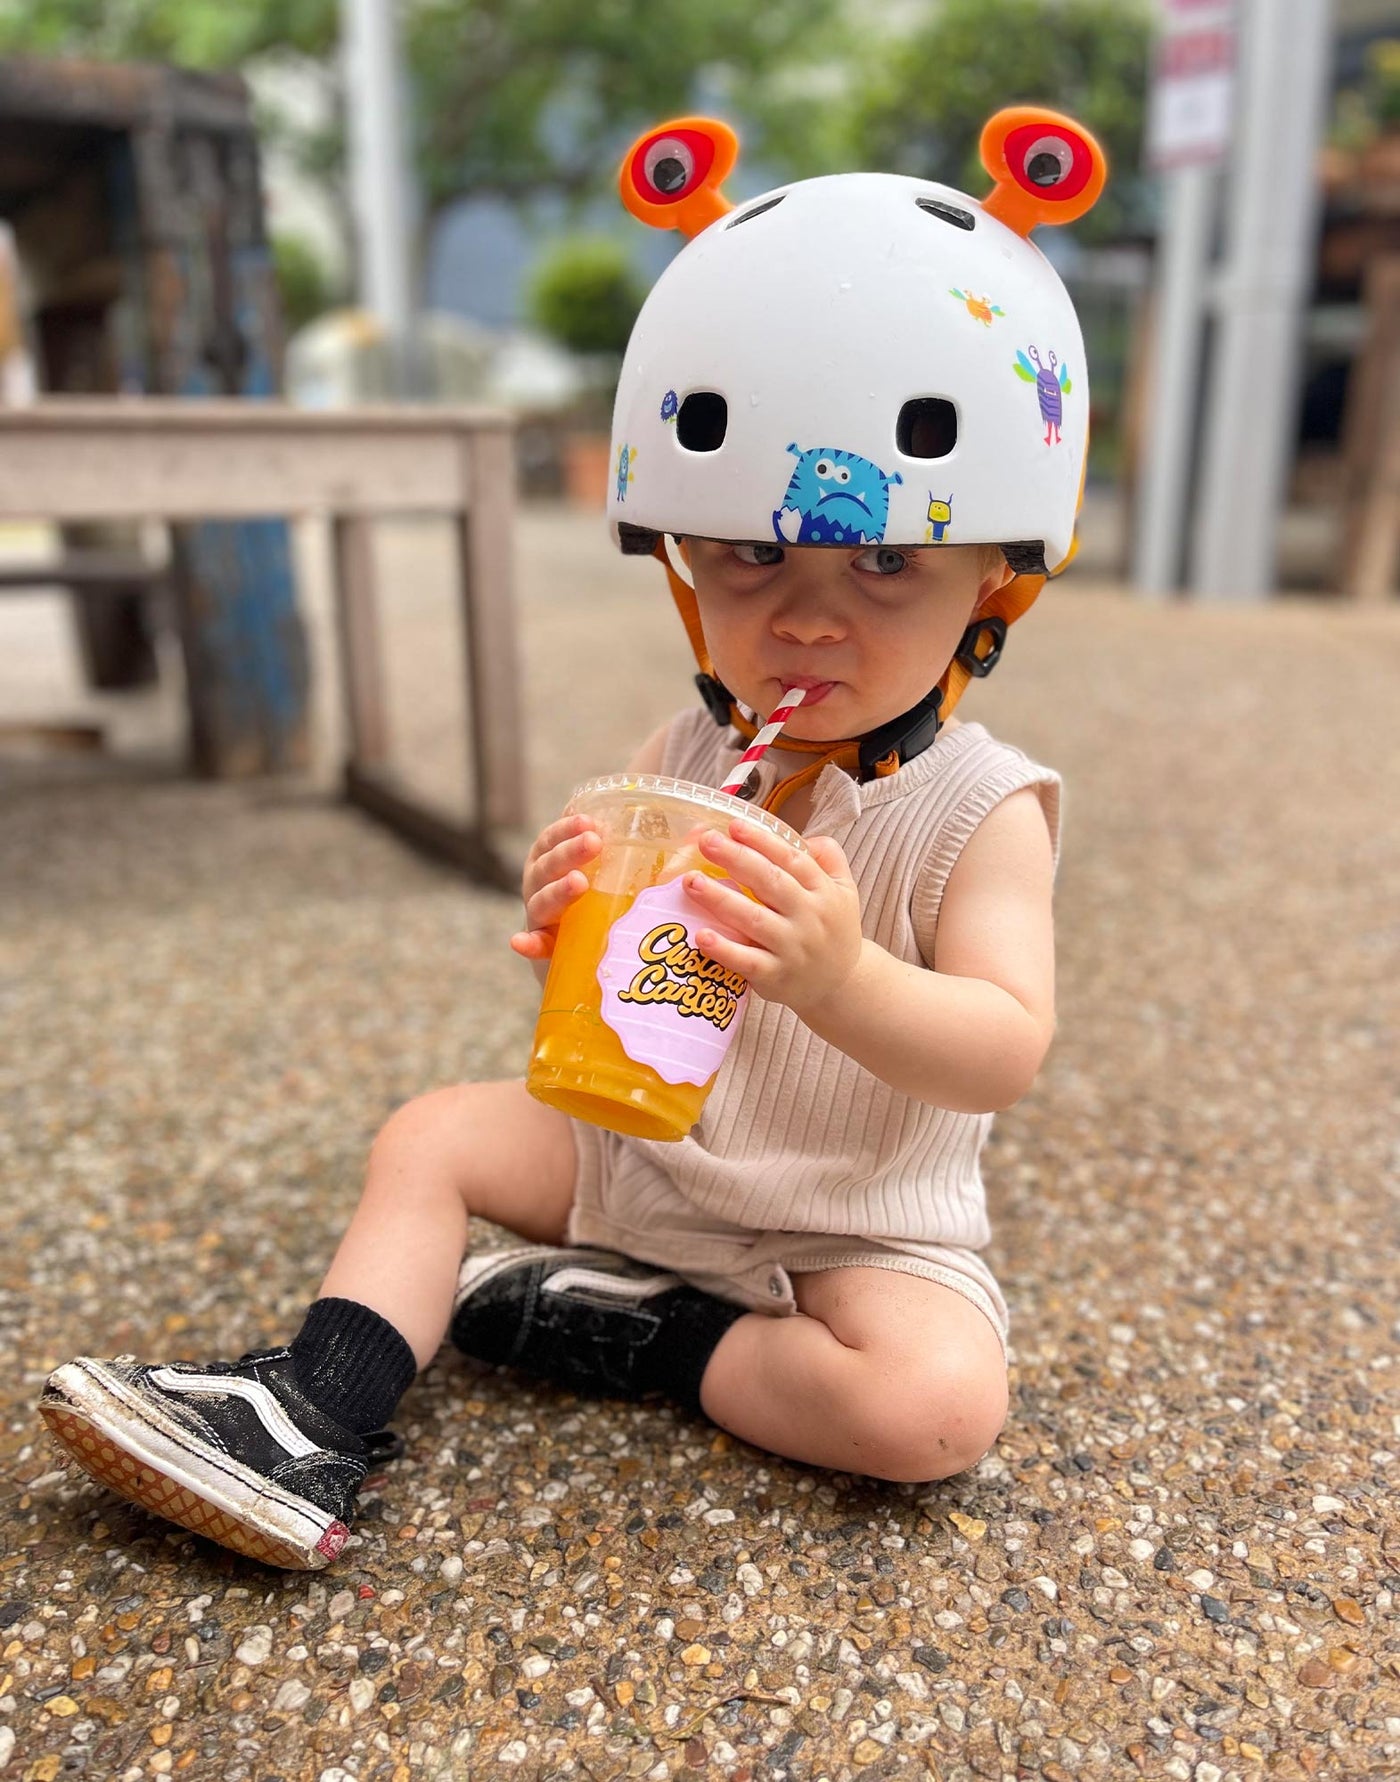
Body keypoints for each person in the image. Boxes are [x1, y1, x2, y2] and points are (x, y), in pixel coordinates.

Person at [40, 106, 1106, 1570]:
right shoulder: (688, 758)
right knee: (434, 1135)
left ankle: (658, 1337)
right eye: (748, 554)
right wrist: (567, 931)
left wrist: (841, 974)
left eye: (881, 560)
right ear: (678, 561)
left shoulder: (981, 805)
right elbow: (626, 1006)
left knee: (937, 1410)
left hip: (851, 1221)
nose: (805, 614)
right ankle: (308, 1413)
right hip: (650, 1161)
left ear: (996, 573)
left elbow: (1004, 1040)